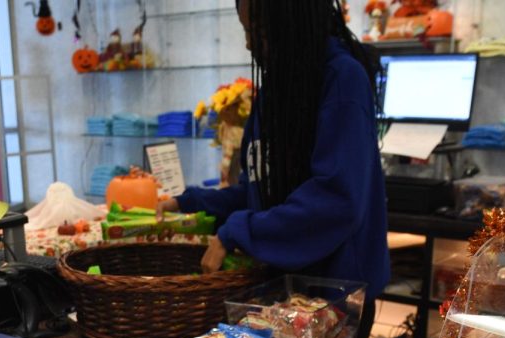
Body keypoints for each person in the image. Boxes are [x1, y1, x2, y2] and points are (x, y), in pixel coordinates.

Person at [158, 0, 389, 294]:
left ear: (292, 23)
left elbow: (336, 201)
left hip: (336, 294)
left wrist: (239, 231)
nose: (248, 44)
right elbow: (257, 193)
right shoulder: (276, 88)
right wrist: (188, 203)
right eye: (246, 30)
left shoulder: (342, 80)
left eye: (259, 31)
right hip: (286, 288)